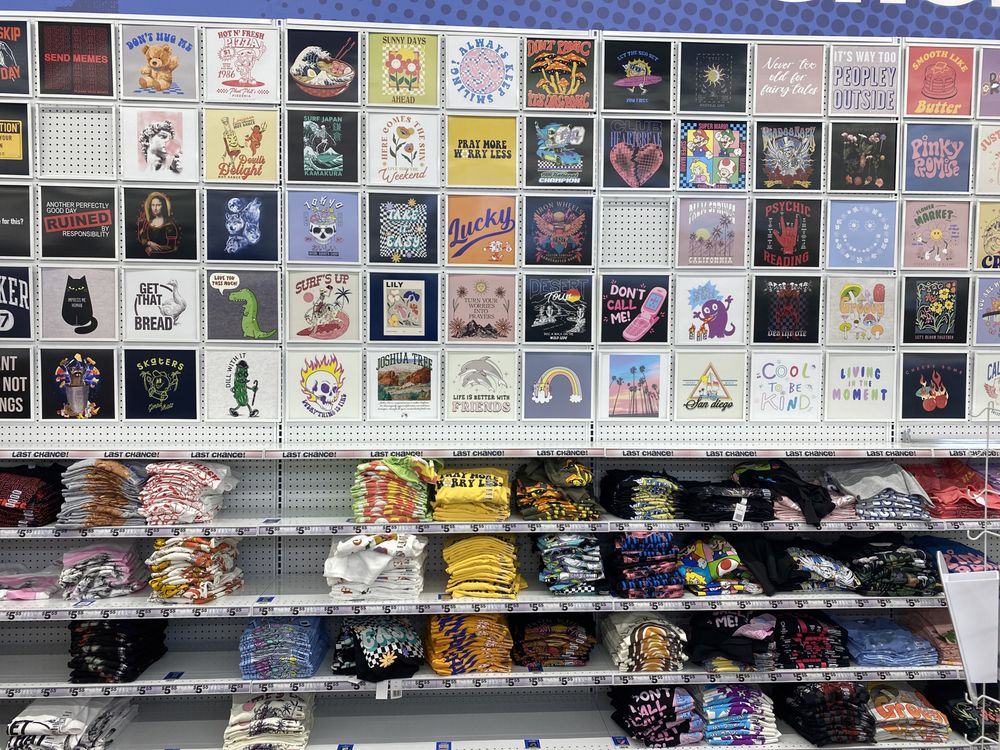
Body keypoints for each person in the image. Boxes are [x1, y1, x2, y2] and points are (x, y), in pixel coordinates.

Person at [136, 192, 180, 256]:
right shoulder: (147, 223)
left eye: (158, 205)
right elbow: (142, 239)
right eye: (153, 205)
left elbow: (171, 246)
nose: (155, 208)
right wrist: (149, 243)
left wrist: (151, 249)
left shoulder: (169, 225)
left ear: (163, 206)